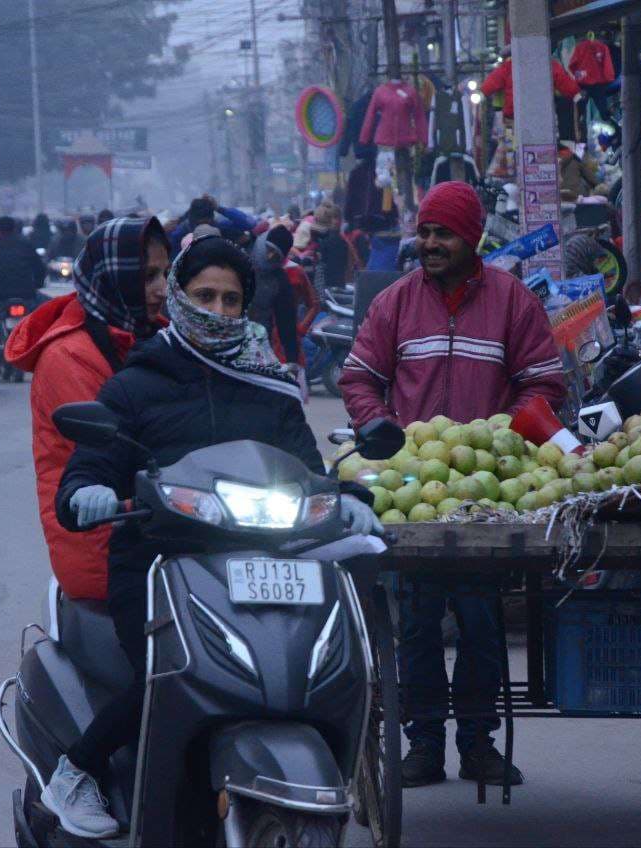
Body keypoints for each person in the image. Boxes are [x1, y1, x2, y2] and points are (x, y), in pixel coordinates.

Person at [43, 234, 379, 837]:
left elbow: (308, 469)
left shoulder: (269, 385)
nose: (218, 311)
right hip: (160, 562)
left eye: (230, 299)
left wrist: (349, 500)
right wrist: (85, 494)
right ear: (176, 296)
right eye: (204, 295)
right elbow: (87, 469)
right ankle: (79, 768)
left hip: (263, 558)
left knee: (314, 667)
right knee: (175, 671)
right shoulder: (135, 384)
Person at [338, 181, 565, 788]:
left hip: (485, 492)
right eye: (427, 232)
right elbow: (358, 377)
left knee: (480, 618)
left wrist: (512, 435)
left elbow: (543, 382)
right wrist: (377, 425)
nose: (432, 244)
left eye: (445, 234)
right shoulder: (395, 303)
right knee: (416, 618)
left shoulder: (513, 302)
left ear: (473, 238)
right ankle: (423, 743)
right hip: (413, 483)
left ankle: (477, 742)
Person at [4, 217, 170, 601]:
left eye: (166, 274)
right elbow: (129, 444)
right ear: (114, 278)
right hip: (102, 537)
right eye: (148, 277)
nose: (162, 290)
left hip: (155, 524)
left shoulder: (152, 335)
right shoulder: (70, 356)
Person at [248, 225, 300, 366]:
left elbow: (287, 322)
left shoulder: (279, 280)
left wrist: (292, 360)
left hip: (258, 345)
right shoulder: (241, 258)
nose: (269, 256)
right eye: (269, 250)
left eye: (275, 255)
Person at [0, 216, 44, 303]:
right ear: (14, 228)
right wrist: (38, 284)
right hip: (25, 291)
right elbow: (39, 267)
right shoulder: (25, 244)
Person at [309, 202, 350, 290]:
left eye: (336, 217)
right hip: (338, 285)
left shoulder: (324, 241)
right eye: (333, 217)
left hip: (327, 288)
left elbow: (320, 270)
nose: (335, 221)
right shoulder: (342, 241)